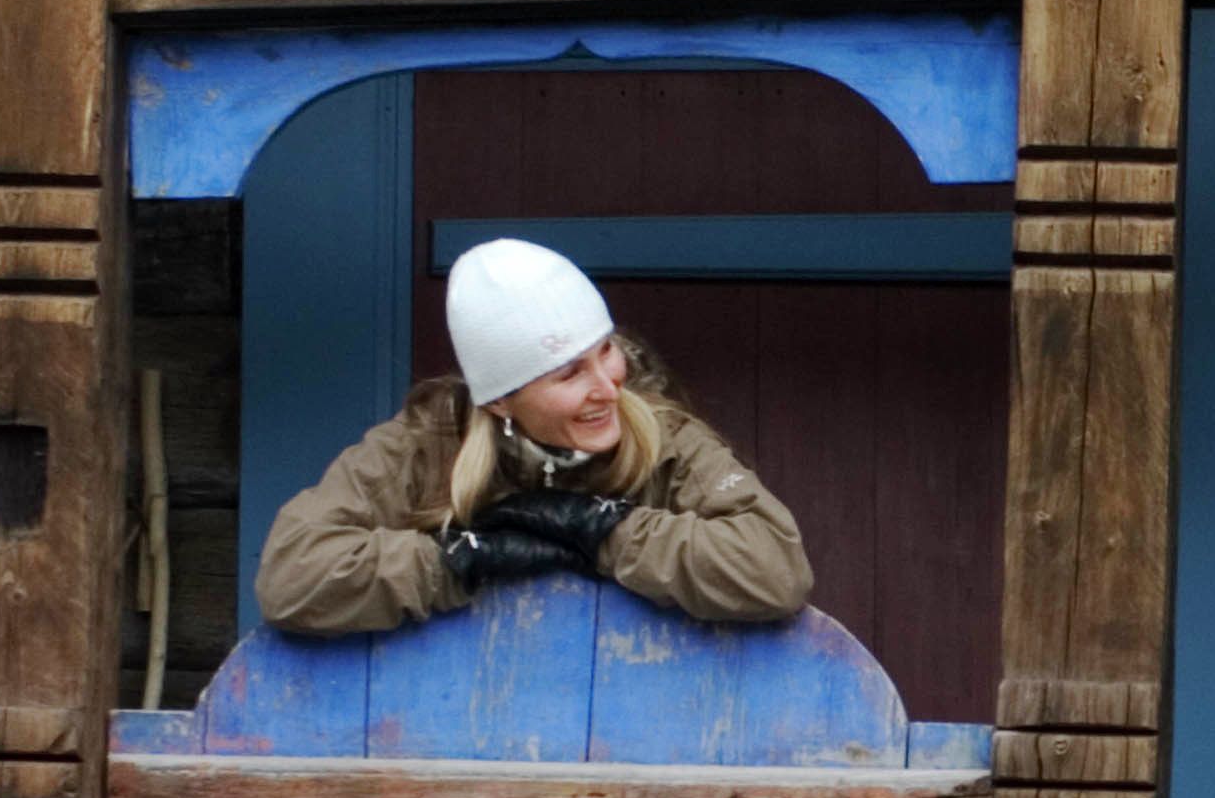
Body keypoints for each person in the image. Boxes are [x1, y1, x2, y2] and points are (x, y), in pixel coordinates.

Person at [254, 237, 814, 639]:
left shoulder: (668, 441)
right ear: (499, 398)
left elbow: (774, 571)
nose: (609, 388)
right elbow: (293, 579)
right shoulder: (423, 446)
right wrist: (456, 560)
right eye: (570, 374)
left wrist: (608, 532)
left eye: (606, 352)